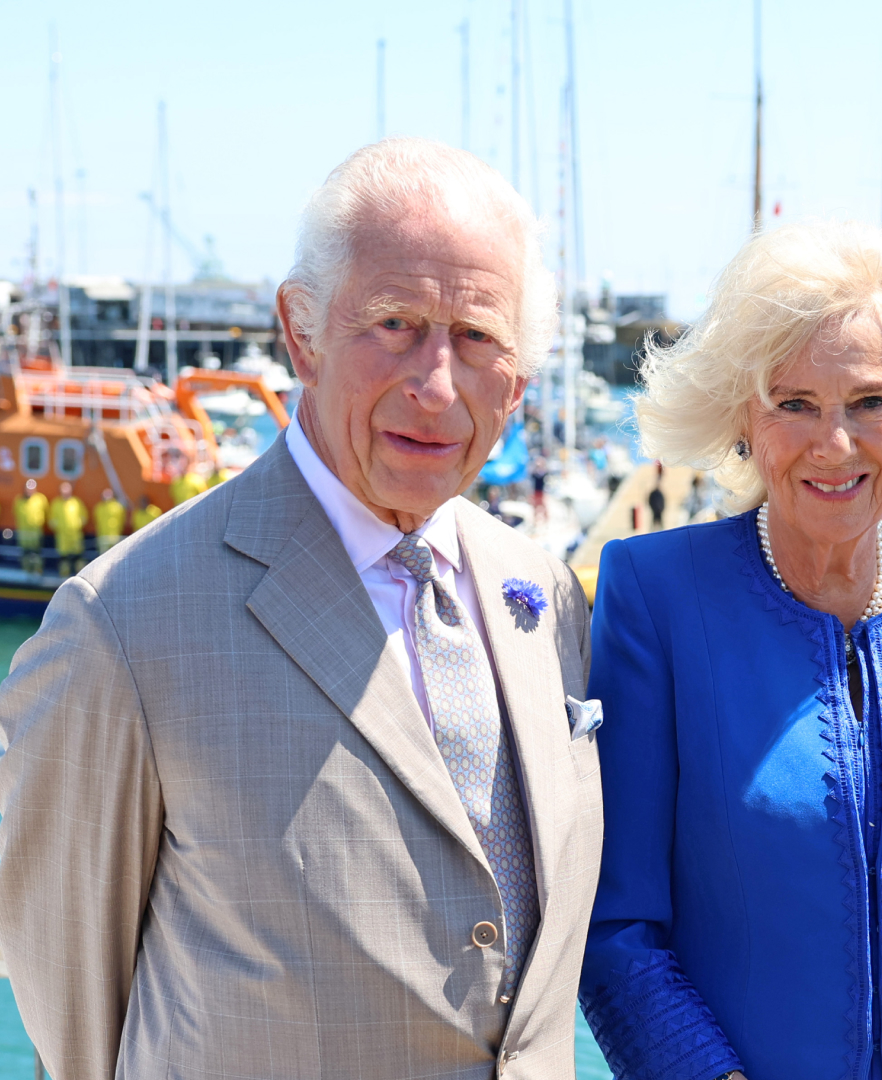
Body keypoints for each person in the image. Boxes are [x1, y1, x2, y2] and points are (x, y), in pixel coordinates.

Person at [0, 137, 601, 1080]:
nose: (436, 382)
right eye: (396, 323)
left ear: (518, 383)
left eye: (478, 337)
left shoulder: (545, 596)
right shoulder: (122, 625)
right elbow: (66, 1013)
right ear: (301, 332)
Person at [580, 221, 882, 1080]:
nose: (835, 443)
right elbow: (616, 924)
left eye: (871, 402)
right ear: (744, 415)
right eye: (795, 403)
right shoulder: (653, 593)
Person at [47, 480, 88, 578]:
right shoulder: (56, 504)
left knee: (78, 560)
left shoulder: (76, 502)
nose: (65, 491)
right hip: (62, 537)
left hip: (75, 536)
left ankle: (81, 579)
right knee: (64, 561)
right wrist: (59, 527)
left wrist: (77, 525)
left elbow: (84, 516)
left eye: (67, 489)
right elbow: (51, 519)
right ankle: (63, 580)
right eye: (63, 489)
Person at [14, 478, 48, 575]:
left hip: (36, 534)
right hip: (23, 535)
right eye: (27, 488)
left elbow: (46, 512)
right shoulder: (18, 501)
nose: (29, 490)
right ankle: (26, 573)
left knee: (36, 555)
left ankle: (37, 572)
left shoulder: (41, 499)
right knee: (25, 556)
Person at [93, 488, 126, 555]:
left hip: (115, 537)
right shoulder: (99, 508)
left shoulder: (118, 507)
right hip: (103, 537)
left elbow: (122, 521)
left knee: (116, 556)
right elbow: (97, 522)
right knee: (103, 558)